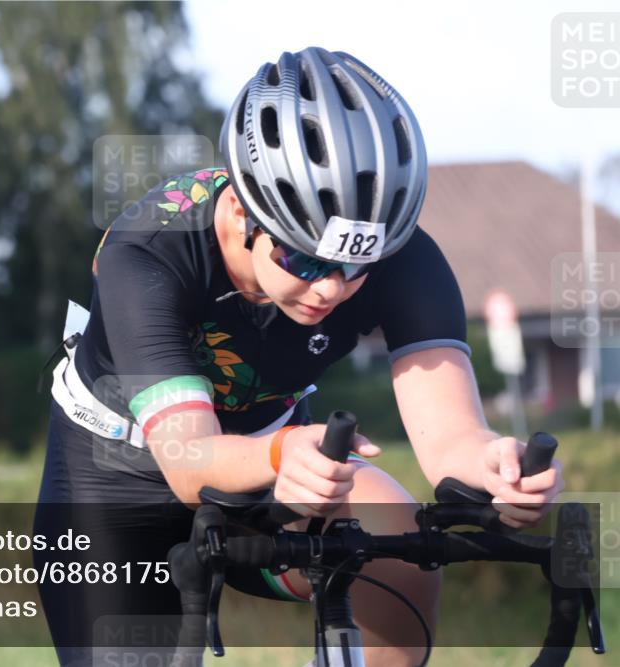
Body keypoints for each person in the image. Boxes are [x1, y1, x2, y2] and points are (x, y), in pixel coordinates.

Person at [33, 47, 564, 667]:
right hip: (118, 477)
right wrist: (284, 451)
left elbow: (452, 438)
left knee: (397, 544)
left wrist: (494, 467)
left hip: (268, 455)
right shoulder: (147, 253)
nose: (331, 289)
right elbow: (188, 463)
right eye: (306, 261)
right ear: (239, 213)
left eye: (357, 265)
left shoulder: (403, 256)